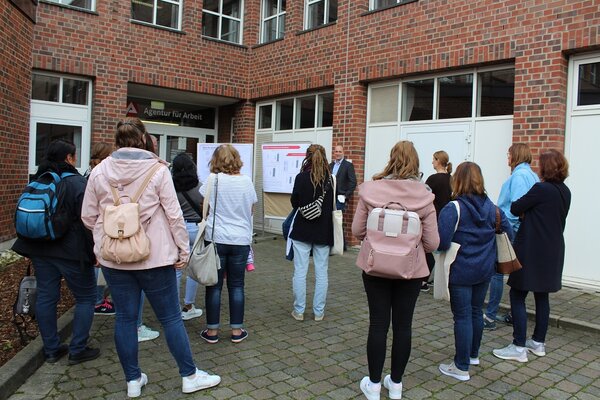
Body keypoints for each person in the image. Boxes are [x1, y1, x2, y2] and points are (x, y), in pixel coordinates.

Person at [82, 118, 220, 397]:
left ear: (117, 142)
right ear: (144, 139)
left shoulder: (99, 172)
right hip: (156, 258)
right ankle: (189, 376)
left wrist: (103, 242)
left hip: (115, 259)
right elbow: (174, 216)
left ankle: (133, 381)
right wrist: (182, 250)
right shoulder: (158, 171)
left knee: (125, 319)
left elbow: (88, 216)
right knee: (170, 318)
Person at [352, 141, 439, 400]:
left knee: (378, 324)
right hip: (410, 271)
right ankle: (397, 385)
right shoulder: (424, 196)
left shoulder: (372, 190)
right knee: (403, 326)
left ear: (391, 159)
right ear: (416, 162)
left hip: (374, 267)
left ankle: (374, 385)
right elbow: (433, 243)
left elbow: (357, 231)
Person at [12, 139, 100, 365]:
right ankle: (78, 349)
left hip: (40, 250)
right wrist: (97, 250)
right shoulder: (77, 183)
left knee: (47, 297)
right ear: (69, 158)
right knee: (86, 297)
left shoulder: (39, 180)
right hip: (72, 253)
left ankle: (51, 349)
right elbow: (88, 220)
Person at [437, 162, 513, 382]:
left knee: (462, 317)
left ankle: (461, 367)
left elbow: (441, 243)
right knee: (475, 312)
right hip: (484, 270)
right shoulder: (493, 208)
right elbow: (509, 235)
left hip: (460, 271)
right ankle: (473, 355)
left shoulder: (453, 208)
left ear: (457, 180)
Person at [493, 149, 571, 363]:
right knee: (542, 296)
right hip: (553, 249)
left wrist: (527, 212)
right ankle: (538, 342)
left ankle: (518, 346)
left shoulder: (541, 189)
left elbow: (516, 207)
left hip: (532, 248)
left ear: (546, 168)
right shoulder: (565, 191)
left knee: (517, 294)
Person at [199, 144, 257, 344]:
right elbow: (251, 210)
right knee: (237, 285)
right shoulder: (247, 182)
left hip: (216, 238)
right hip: (240, 239)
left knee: (214, 286)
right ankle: (236, 331)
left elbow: (204, 209)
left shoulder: (212, 180)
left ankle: (212, 331)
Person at [484, 143, 539, 330]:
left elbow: (517, 208)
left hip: (509, 229)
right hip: (520, 230)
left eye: (508, 154)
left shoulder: (519, 176)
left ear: (515, 155)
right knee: (516, 273)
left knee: (497, 272)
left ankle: (490, 317)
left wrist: (508, 232)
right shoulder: (532, 175)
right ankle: (514, 313)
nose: (507, 157)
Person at [290, 144, 334, 323]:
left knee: (300, 271)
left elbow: (295, 202)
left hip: (302, 229)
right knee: (321, 272)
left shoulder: (301, 178)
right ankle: (318, 312)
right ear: (324, 157)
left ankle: (299, 311)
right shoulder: (330, 179)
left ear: (307, 157)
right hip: (323, 230)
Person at [84, 142, 116, 316]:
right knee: (100, 264)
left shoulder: (89, 172)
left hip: (91, 226)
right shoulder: (101, 174)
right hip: (99, 225)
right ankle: (97, 301)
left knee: (97, 265)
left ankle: (97, 299)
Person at [171, 153, 203, 321]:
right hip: (196, 228)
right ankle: (189, 305)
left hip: (177, 229)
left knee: (177, 269)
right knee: (193, 269)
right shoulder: (200, 187)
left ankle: (175, 308)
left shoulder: (170, 187)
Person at [423, 150, 453, 292]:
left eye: (433, 159)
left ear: (438, 161)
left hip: (434, 218)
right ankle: (442, 279)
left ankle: (424, 280)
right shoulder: (451, 178)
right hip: (449, 218)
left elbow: (423, 197)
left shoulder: (433, 179)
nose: (432, 162)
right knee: (445, 249)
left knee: (428, 248)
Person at [329, 145, 357, 211]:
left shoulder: (348, 165)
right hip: (330, 196)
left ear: (343, 153)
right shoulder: (330, 165)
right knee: (329, 217)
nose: (338, 153)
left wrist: (345, 196)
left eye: (340, 151)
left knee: (337, 218)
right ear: (334, 153)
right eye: (336, 151)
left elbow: (353, 182)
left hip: (340, 197)